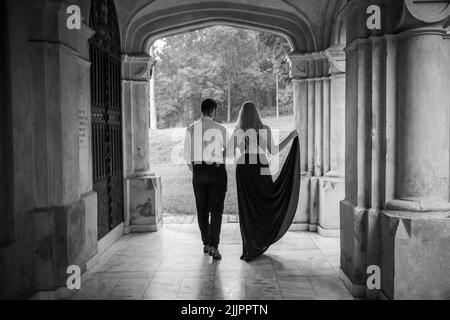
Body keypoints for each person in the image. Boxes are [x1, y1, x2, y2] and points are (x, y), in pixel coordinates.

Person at [226, 101, 300, 261]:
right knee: (264, 203)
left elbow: (230, 154)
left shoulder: (238, 131)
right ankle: (262, 239)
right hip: (261, 167)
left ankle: (250, 247)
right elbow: (273, 150)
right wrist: (289, 138)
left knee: (247, 208)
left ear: (241, 114)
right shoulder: (264, 129)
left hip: (244, 169)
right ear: (256, 113)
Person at [183, 99, 228, 260]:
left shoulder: (191, 129)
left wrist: (196, 169)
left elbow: (186, 155)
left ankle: (206, 243)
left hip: (199, 171)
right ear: (213, 111)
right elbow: (227, 152)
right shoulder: (221, 129)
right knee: (216, 210)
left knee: (201, 209)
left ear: (201, 110)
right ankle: (214, 247)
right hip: (217, 171)